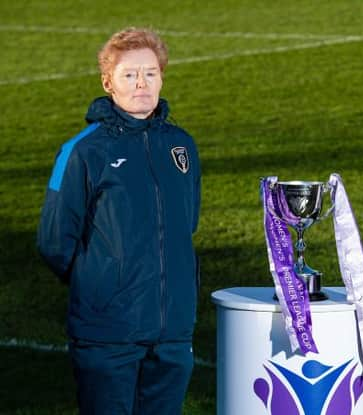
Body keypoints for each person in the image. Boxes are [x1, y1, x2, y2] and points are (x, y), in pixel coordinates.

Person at [37, 28, 201, 414]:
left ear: (162, 76)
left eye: (150, 73)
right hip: (108, 334)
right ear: (108, 82)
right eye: (129, 74)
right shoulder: (83, 151)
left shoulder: (181, 146)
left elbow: (186, 223)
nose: (141, 83)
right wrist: (103, 285)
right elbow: (54, 242)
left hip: (172, 332)